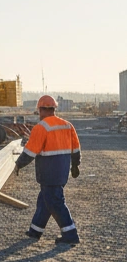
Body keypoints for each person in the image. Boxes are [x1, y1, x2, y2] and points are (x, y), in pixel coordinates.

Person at [15, 94, 81, 244]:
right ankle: (35, 231)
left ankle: (71, 235)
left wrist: (19, 164)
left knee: (55, 202)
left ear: (41, 110)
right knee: (45, 200)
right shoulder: (67, 125)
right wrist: (75, 165)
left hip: (48, 171)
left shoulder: (41, 127)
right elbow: (76, 148)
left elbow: (30, 151)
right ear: (53, 109)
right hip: (62, 171)